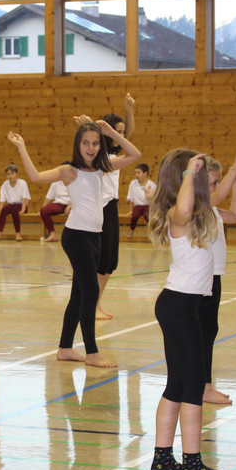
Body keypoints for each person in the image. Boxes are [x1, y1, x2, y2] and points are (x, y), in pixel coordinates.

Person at [7, 118, 140, 367]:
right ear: (77, 144)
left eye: (95, 143)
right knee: (90, 292)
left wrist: (112, 133)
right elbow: (35, 176)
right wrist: (22, 146)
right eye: (85, 143)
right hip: (76, 237)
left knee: (78, 295)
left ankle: (65, 348)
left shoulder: (103, 167)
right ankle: (92, 352)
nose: (91, 148)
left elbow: (135, 155)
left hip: (95, 236)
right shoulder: (69, 171)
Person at [148, 148, 231, 470]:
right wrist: (187, 172)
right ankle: (193, 463)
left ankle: (163, 458)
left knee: (178, 384)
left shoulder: (198, 214)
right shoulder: (177, 214)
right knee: (194, 385)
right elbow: (183, 206)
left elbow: (211, 200)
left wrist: (225, 173)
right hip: (178, 305)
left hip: (182, 306)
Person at [199, 149, 236, 405]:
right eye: (212, 183)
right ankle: (203, 387)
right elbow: (217, 197)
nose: (216, 188)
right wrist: (235, 166)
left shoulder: (214, 210)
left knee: (209, 330)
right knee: (204, 331)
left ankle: (204, 385)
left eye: (218, 182)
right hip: (201, 278)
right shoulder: (199, 205)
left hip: (213, 276)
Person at [94, 93, 136, 319]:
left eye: (121, 132)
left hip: (111, 206)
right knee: (101, 260)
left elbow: (129, 133)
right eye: (116, 132)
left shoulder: (113, 151)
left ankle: (97, 302)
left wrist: (129, 109)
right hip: (99, 209)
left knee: (110, 261)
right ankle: (91, 305)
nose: (121, 136)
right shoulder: (99, 154)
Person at [0, 164, 31, 241]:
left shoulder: (22, 183)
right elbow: (2, 199)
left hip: (21, 205)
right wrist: (0, 210)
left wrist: (23, 210)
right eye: (8, 174)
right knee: (4, 210)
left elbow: (24, 198)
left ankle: (18, 233)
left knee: (14, 211)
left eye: (12, 173)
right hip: (11, 204)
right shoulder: (5, 185)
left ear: (17, 174)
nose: (10, 176)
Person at [126, 163, 156, 238]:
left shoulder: (152, 184)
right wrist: (130, 210)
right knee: (135, 215)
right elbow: (131, 198)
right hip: (137, 206)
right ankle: (131, 230)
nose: (136, 174)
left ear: (145, 173)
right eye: (135, 173)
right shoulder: (133, 183)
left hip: (148, 206)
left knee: (148, 216)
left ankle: (153, 232)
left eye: (138, 172)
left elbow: (154, 200)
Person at [39, 177, 71, 243]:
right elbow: (48, 197)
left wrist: (70, 206)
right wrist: (42, 210)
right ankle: (52, 234)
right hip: (59, 204)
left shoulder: (74, 181)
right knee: (44, 211)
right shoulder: (55, 183)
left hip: (72, 204)